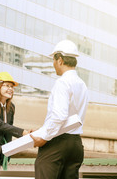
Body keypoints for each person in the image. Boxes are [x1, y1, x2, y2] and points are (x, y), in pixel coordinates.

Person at [30, 39, 89, 179]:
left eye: (54, 61)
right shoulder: (82, 85)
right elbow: (70, 116)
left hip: (56, 144)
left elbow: (59, 116)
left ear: (60, 60)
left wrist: (44, 137)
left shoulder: (62, 83)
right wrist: (42, 130)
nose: (53, 64)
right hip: (75, 143)